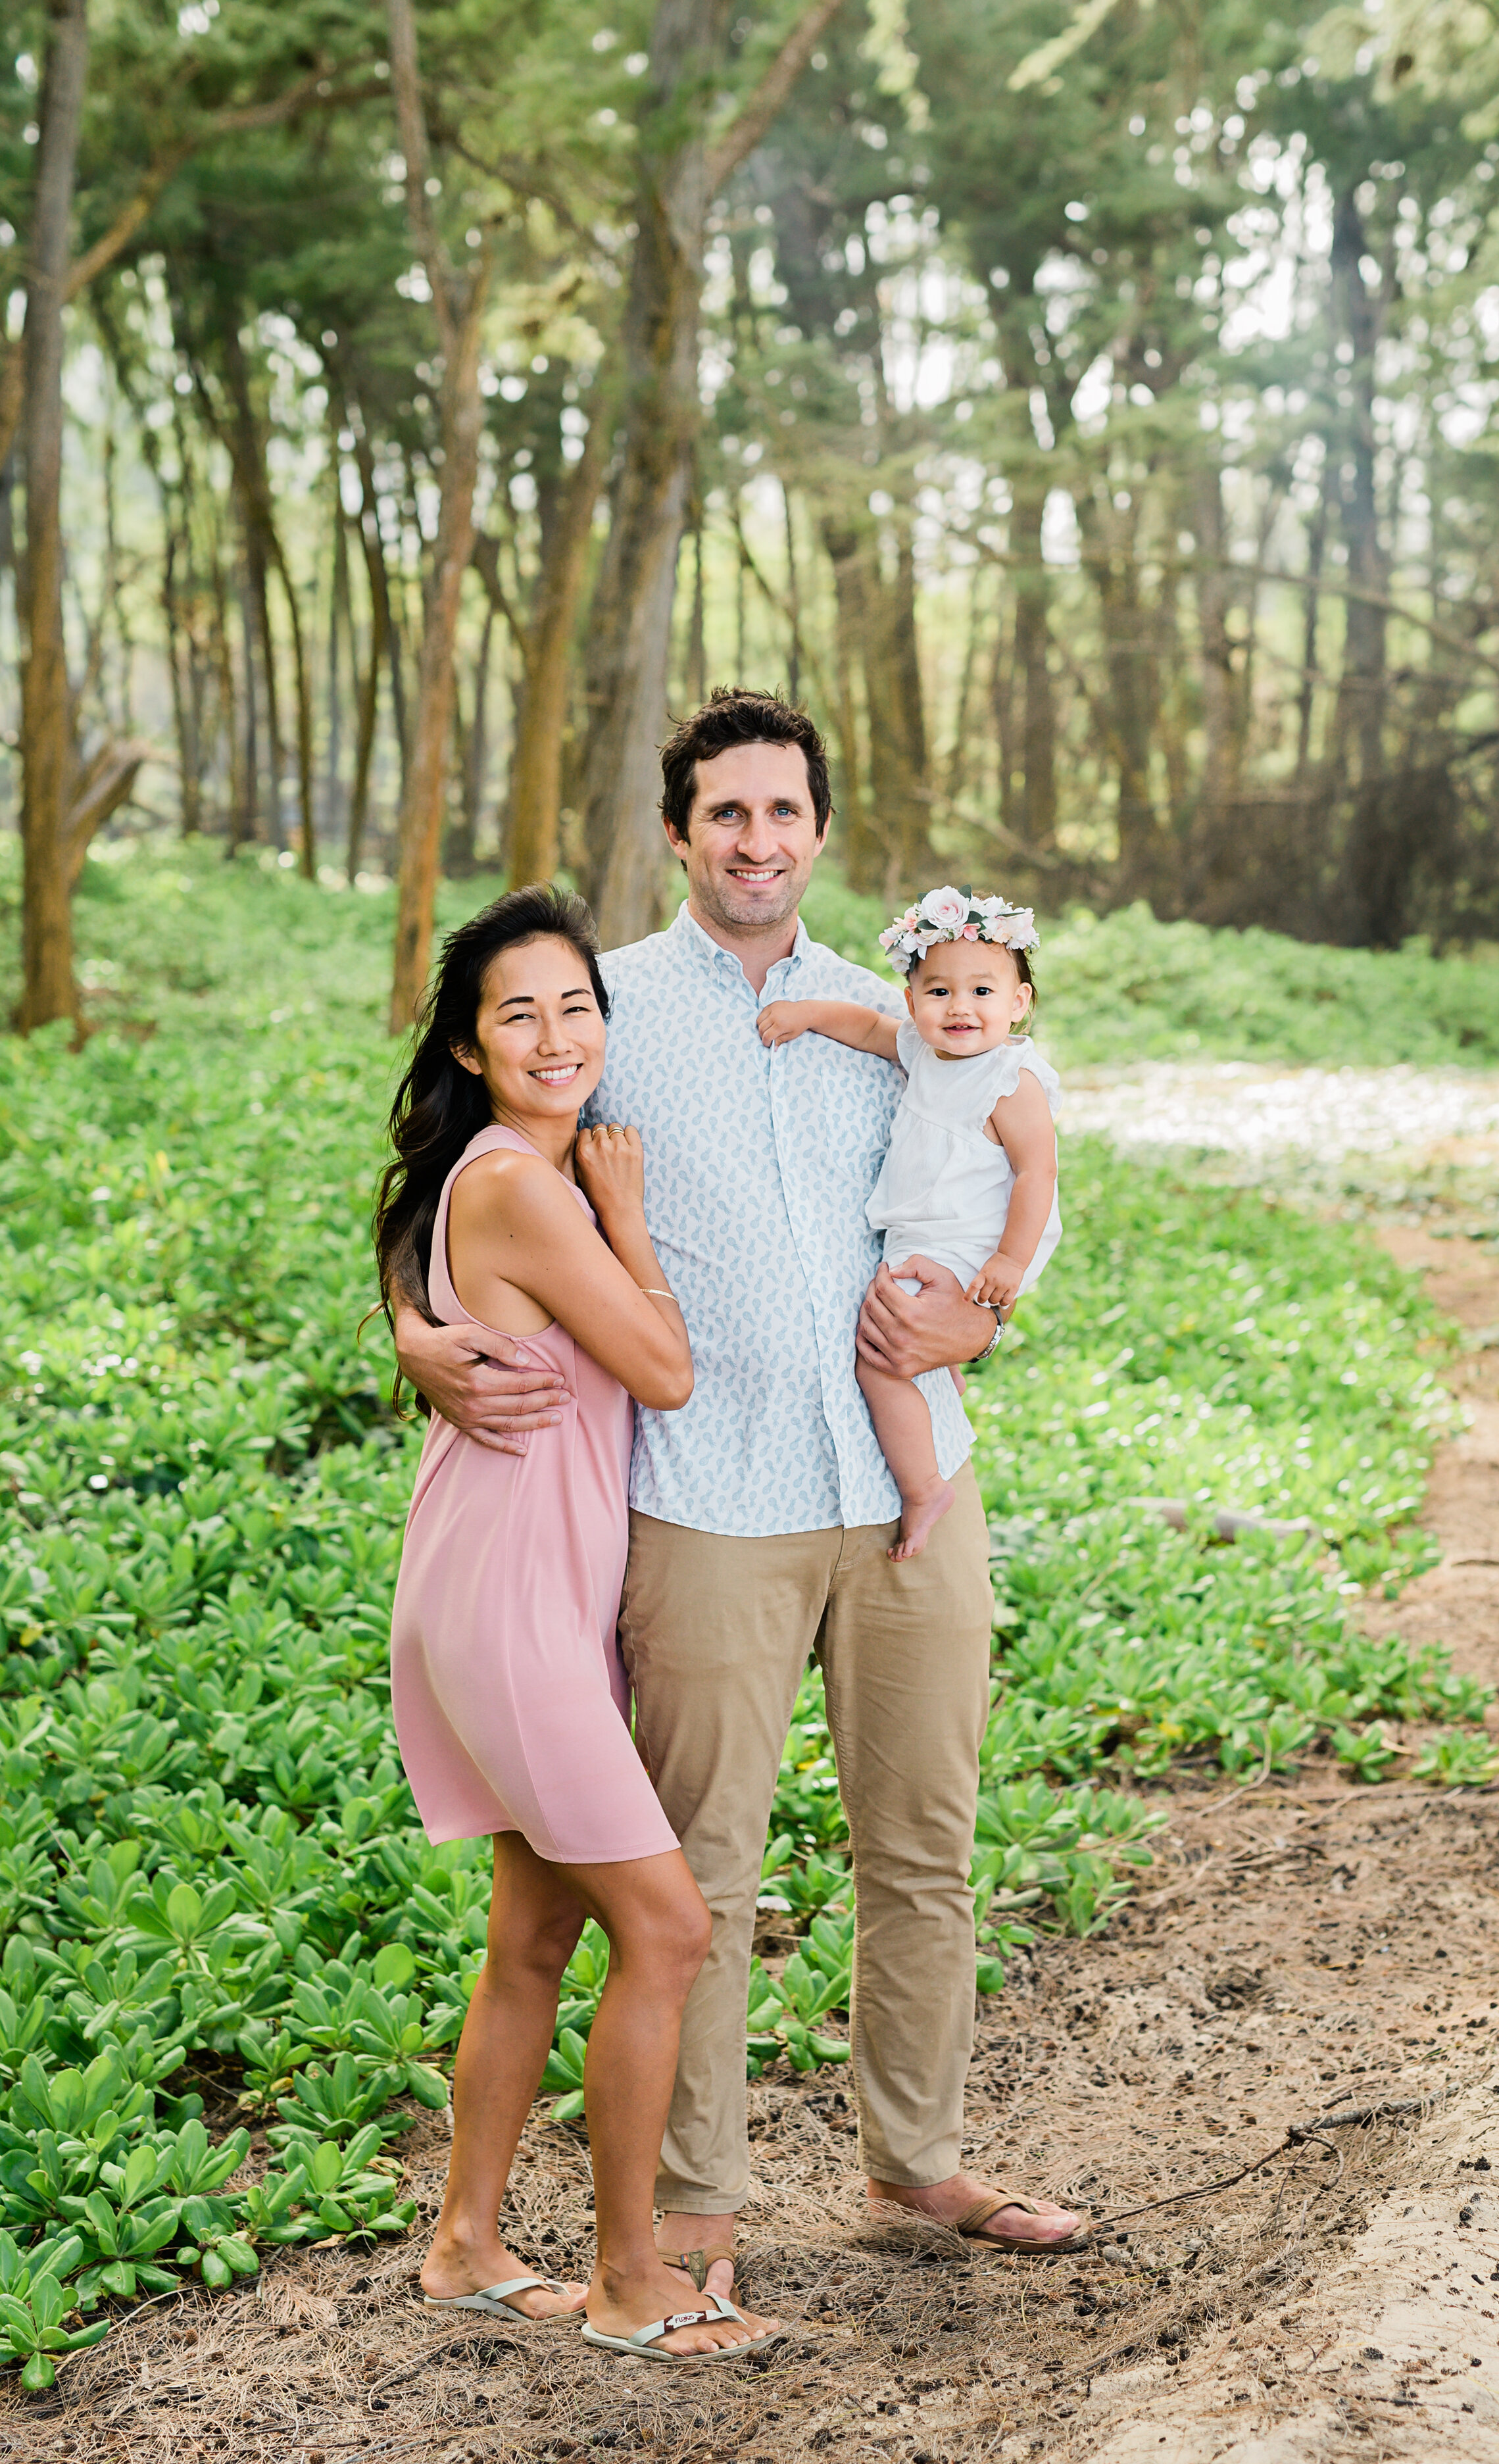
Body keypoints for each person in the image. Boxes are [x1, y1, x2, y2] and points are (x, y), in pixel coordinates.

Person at [393, 692, 1085, 2304]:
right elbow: (468, 1167)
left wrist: (990, 1311)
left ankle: (916, 2160)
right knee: (697, 1871)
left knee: (924, 1841)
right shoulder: (604, 1009)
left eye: (784, 814)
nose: (757, 841)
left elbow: (1017, 1188)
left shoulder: (907, 1008)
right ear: (678, 833)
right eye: (727, 815)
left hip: (908, 1483)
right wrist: (421, 1333)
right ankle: (692, 2213)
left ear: (822, 832)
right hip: (707, 1501)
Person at [377, 884, 783, 2364]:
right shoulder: (530, 1187)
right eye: (517, 1014)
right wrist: (624, 1214)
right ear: (472, 1048)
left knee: (536, 1928)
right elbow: (663, 1369)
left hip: (517, 1589)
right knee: (667, 1929)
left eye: (575, 1007)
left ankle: (466, 2243)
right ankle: (628, 2279)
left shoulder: (487, 1174)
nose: (556, 1036)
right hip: (509, 1607)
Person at [756, 886, 1060, 1559]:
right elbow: (865, 1028)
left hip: (972, 1238)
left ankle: (923, 1485)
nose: (960, 1007)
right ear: (913, 1000)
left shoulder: (1010, 1081)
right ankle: (942, 1377)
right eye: (939, 992)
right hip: (921, 1230)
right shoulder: (925, 1052)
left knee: (878, 1361)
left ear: (1018, 1004)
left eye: (983, 992)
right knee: (909, 1335)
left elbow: (1037, 1174)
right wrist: (806, 1014)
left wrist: (1008, 1261)